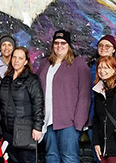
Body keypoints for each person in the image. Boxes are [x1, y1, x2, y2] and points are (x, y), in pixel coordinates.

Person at [36, 30, 91, 163]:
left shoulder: (78, 63)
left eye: (63, 43)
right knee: (51, 157)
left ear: (69, 45)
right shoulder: (45, 63)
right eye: (56, 43)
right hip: (47, 121)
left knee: (69, 158)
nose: (59, 46)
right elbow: (36, 89)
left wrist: (78, 123)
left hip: (69, 122)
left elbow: (85, 95)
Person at [0, 47, 44, 163]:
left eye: (20, 58)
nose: (16, 60)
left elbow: (38, 104)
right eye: (14, 57)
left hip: (25, 130)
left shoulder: (32, 80)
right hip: (7, 131)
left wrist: (37, 127)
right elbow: (0, 103)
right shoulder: (6, 80)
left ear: (26, 61)